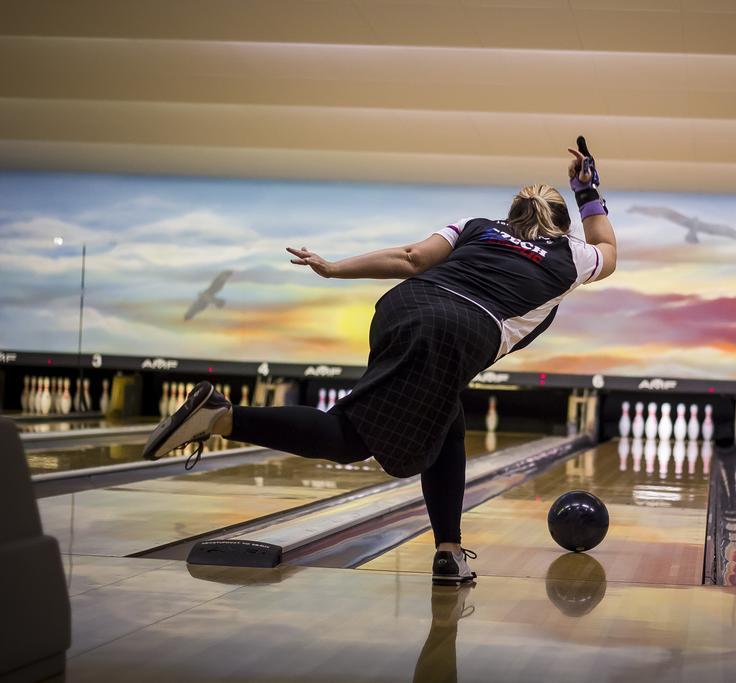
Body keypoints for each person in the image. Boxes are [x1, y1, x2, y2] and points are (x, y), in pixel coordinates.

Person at [143, 141, 617, 584]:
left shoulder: (477, 227)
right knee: (349, 439)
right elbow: (609, 248)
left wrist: (333, 268)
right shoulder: (574, 255)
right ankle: (223, 417)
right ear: (562, 223)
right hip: (457, 332)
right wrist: (587, 189)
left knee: (447, 424)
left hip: (406, 305)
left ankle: (449, 550)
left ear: (510, 214)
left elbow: (411, 258)